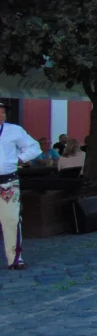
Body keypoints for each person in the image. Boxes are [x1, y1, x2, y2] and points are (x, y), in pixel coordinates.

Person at [0, 102, 40, 270]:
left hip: (7, 182)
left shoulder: (14, 130)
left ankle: (15, 258)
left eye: (2, 112)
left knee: (11, 220)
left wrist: (19, 159)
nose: (1, 115)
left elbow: (34, 147)